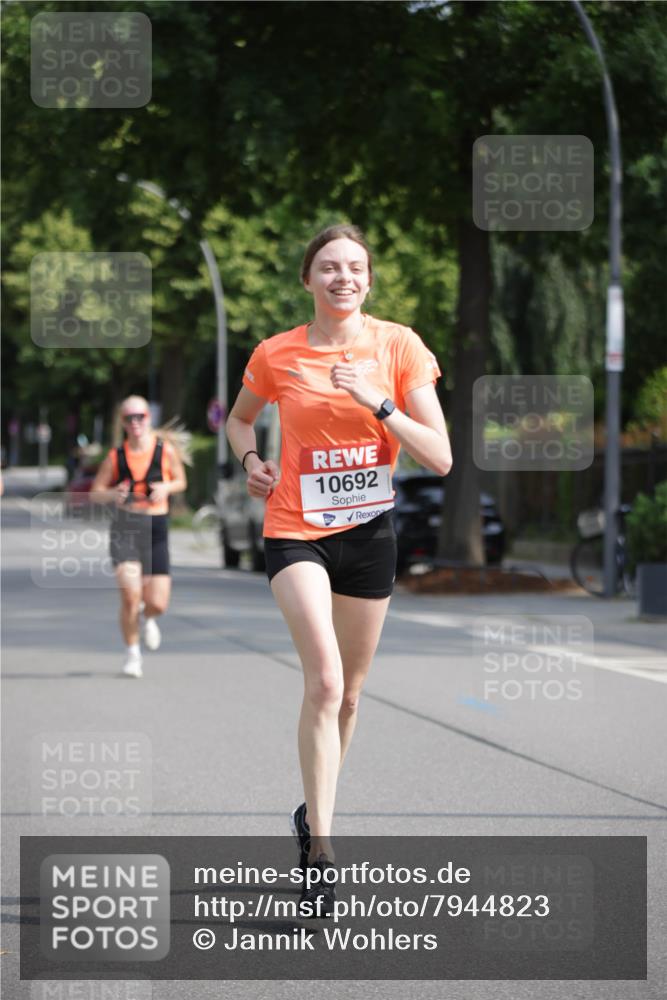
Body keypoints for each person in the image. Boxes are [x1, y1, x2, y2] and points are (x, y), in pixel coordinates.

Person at [226, 224, 452, 914]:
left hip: (368, 534)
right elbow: (239, 421)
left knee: (350, 696)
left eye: (354, 267)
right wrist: (250, 462)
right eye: (328, 267)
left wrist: (376, 403)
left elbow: (440, 457)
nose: (342, 277)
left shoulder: (398, 346)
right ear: (308, 280)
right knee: (322, 680)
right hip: (295, 532)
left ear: (369, 280)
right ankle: (322, 850)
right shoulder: (277, 353)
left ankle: (309, 812)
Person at [91, 396, 189, 678]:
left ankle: (150, 617)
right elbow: (96, 492)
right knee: (130, 594)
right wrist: (114, 494)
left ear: (149, 418)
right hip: (126, 526)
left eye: (140, 417)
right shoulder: (115, 456)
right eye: (129, 418)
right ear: (122, 422)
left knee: (158, 602)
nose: (135, 422)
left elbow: (181, 480)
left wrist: (166, 488)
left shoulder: (164, 450)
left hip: (157, 526)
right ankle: (132, 653)